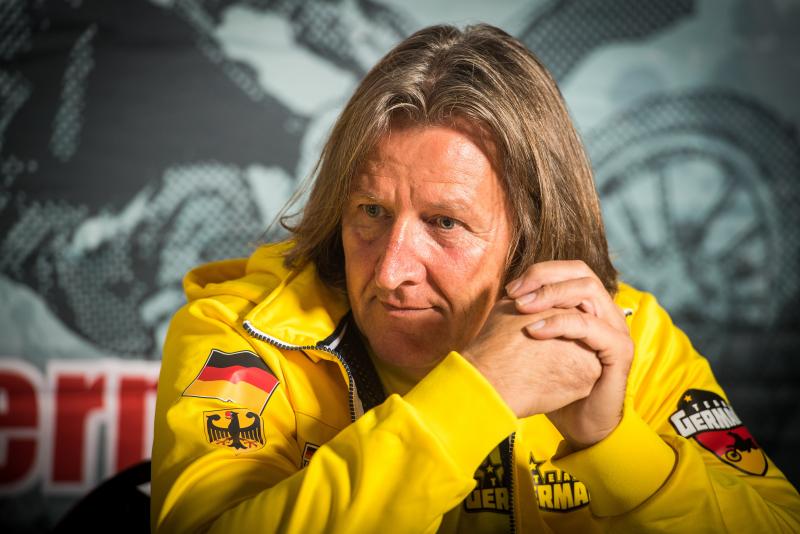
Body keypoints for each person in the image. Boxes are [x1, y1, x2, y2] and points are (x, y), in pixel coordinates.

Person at [151, 24, 800, 532]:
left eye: (445, 223)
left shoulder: (626, 338)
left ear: (531, 232)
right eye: (371, 212)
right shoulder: (240, 334)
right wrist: (476, 395)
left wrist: (614, 446)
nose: (391, 270)